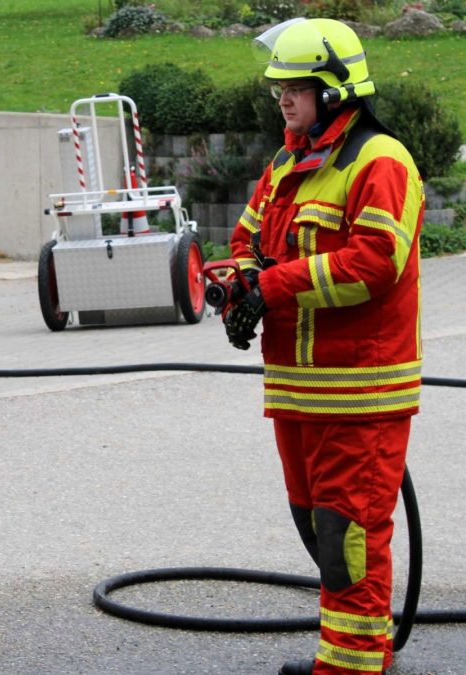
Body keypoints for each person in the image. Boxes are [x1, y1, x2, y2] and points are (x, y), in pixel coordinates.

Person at [221, 18, 424, 675]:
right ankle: (358, 652)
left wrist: (272, 288)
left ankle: (354, 663)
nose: (283, 98)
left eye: (297, 87)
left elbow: (373, 262)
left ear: (336, 91)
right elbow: (244, 243)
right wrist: (237, 291)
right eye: (279, 87)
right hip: (299, 393)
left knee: (350, 533)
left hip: (360, 391)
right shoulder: (288, 165)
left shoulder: (380, 162)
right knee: (320, 528)